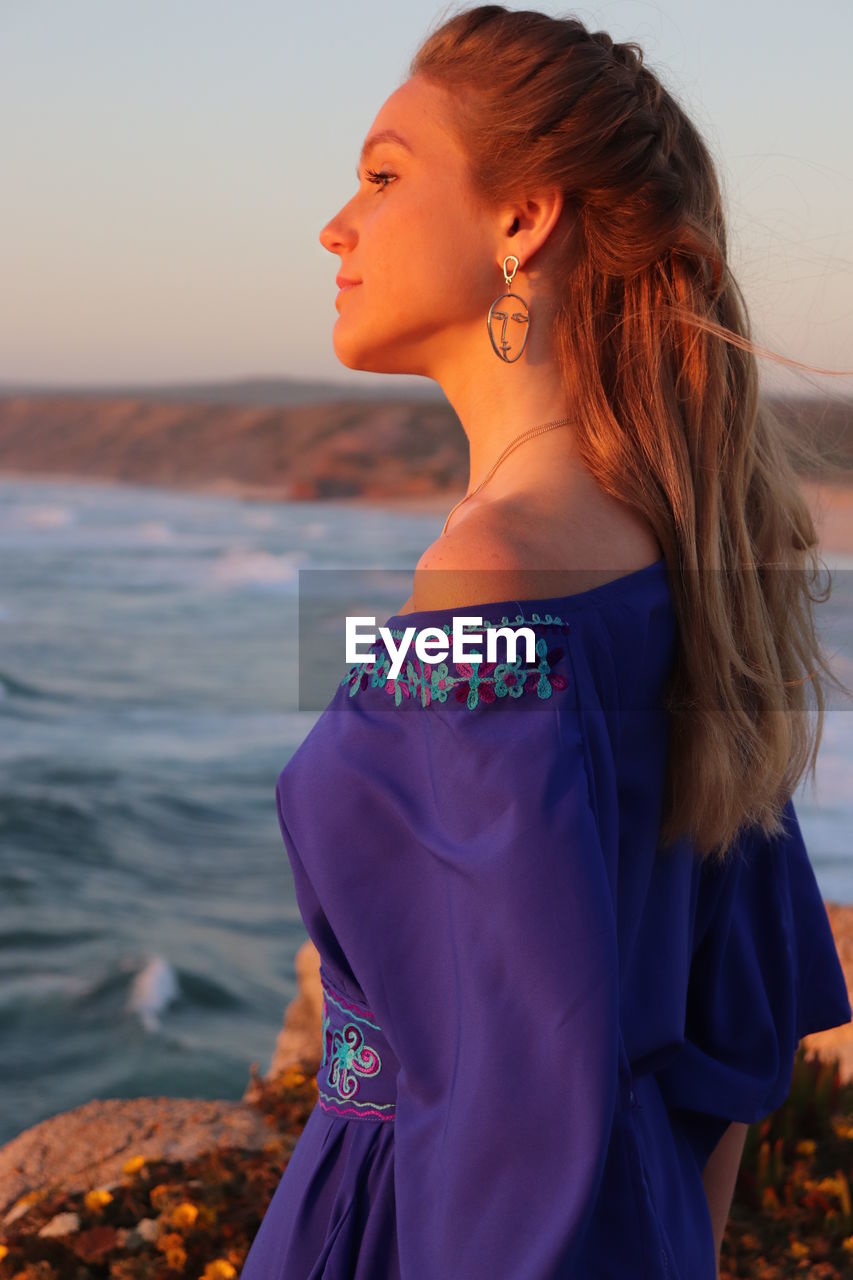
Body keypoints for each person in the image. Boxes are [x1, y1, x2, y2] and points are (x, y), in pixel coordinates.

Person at [240, 7, 852, 1277]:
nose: (334, 224)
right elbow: (734, 1040)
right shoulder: (681, 566)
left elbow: (506, 1104)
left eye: (384, 174)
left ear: (523, 218)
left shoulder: (483, 578)